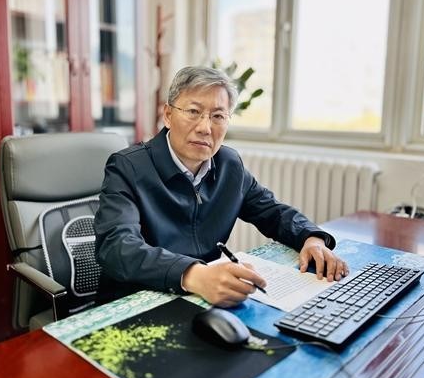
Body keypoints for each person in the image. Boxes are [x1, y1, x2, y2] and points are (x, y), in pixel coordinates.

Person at [94, 66, 348, 306]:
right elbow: (117, 247)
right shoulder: (128, 166)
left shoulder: (229, 164)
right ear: (168, 115)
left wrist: (311, 238)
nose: (205, 128)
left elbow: (273, 212)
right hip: (136, 301)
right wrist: (193, 274)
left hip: (202, 297)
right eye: (193, 112)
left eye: (217, 116)